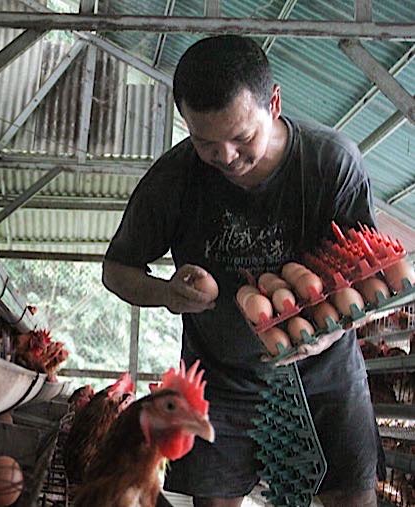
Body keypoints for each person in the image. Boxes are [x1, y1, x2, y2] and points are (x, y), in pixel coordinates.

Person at [102, 35, 380, 507]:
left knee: (353, 498)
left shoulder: (330, 163)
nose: (226, 157)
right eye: (205, 142)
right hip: (221, 381)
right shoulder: (173, 179)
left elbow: (368, 278)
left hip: (325, 375)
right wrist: (166, 292)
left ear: (274, 104)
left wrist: (328, 331)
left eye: (243, 137)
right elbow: (116, 270)